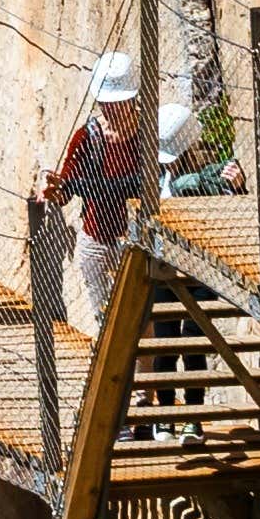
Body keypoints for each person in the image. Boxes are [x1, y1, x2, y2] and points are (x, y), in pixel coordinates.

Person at [39, 50, 219, 330]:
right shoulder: (88, 137)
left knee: (142, 322)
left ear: (132, 97)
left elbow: (147, 182)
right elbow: (66, 190)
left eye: (118, 101)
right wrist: (55, 190)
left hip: (137, 239)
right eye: (106, 102)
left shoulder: (152, 134)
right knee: (106, 322)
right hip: (97, 240)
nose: (111, 108)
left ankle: (140, 374)